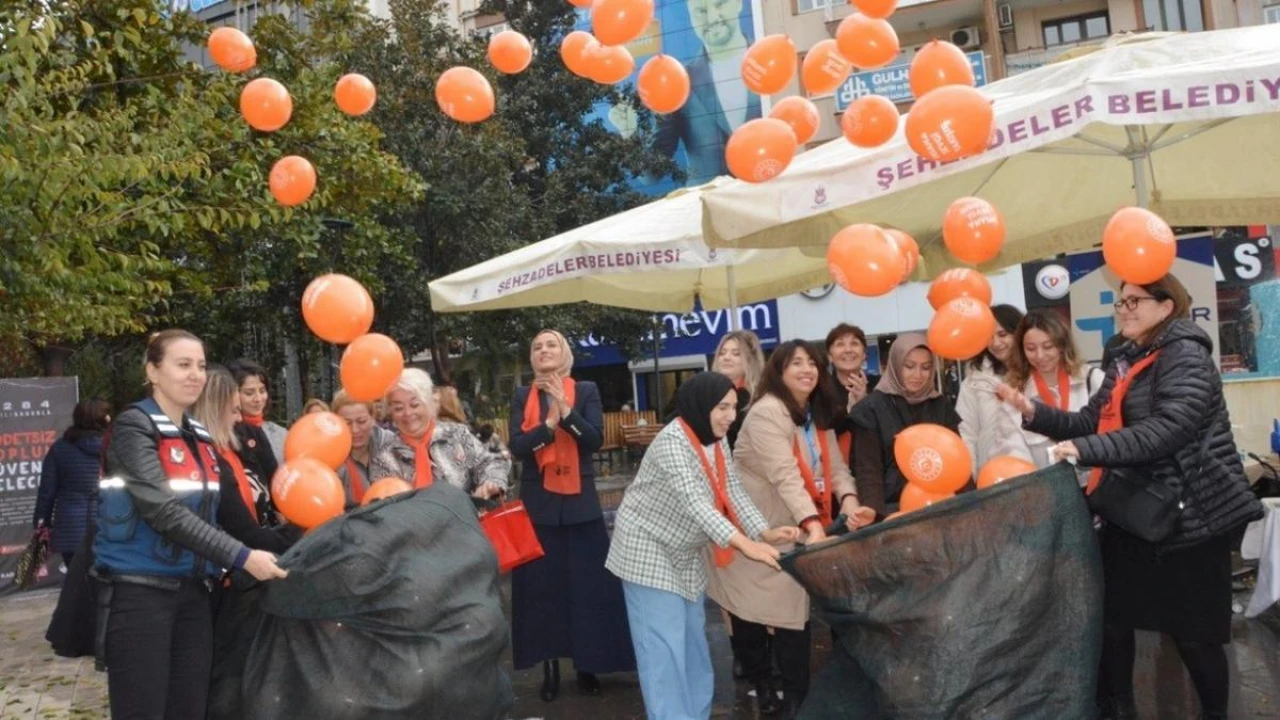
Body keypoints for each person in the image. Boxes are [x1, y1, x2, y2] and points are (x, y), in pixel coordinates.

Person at [997, 275, 1264, 720]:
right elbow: (1091, 421)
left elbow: (1167, 430)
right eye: (1121, 302)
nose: (1123, 309)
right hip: (1135, 510)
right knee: (1112, 618)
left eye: (1134, 301)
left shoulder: (1185, 355)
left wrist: (1086, 450)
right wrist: (1034, 413)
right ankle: (1118, 707)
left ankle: (1215, 713)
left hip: (1191, 516)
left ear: (1166, 306)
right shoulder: (1124, 356)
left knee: (1194, 636)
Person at [94, 330, 287, 720]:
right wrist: (243, 556)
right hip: (141, 595)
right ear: (153, 371)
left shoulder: (200, 438)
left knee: (191, 709)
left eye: (200, 365)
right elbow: (164, 512)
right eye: (183, 365)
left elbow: (221, 518)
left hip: (195, 594)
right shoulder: (134, 428)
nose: (195, 374)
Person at [606, 372, 801, 720]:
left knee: (694, 646)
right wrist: (745, 545)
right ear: (701, 404)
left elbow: (732, 490)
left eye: (734, 408)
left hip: (685, 550)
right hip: (647, 549)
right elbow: (695, 502)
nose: (730, 416)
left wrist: (763, 532)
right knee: (663, 651)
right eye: (722, 407)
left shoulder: (715, 439)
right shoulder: (673, 441)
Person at [707, 340, 875, 717]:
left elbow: (836, 469)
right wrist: (813, 525)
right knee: (749, 614)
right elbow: (785, 474)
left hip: (793, 528)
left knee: (793, 616)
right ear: (779, 371)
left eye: (812, 363)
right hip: (754, 528)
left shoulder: (815, 412)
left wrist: (850, 503)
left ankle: (796, 697)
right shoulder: (767, 412)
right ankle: (763, 684)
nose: (806, 370)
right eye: (796, 363)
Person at [508, 329, 635, 702]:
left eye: (551, 345)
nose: (543, 350)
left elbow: (593, 440)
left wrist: (565, 410)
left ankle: (587, 664)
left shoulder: (586, 390)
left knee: (588, 589)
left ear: (564, 354)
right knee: (542, 591)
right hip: (539, 504)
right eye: (537, 346)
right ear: (531, 357)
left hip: (580, 504)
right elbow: (518, 447)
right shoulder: (522, 396)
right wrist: (547, 426)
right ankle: (549, 666)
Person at [191, 366, 299, 720]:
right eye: (235, 410)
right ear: (214, 408)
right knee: (227, 680)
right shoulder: (210, 461)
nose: (241, 418)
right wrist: (301, 536)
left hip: (244, 578)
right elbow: (243, 531)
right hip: (222, 585)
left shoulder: (235, 451)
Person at [608, 0, 760, 185]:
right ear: (691, 17)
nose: (712, 18)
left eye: (720, 4)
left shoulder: (769, 63)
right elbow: (651, 174)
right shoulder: (679, 82)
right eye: (700, 11)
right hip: (708, 202)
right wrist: (630, 132)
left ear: (738, 3)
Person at [849, 333, 962, 517]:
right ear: (895, 365)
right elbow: (868, 470)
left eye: (925, 367)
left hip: (940, 506)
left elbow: (956, 459)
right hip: (891, 510)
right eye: (909, 366)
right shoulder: (871, 408)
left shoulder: (940, 406)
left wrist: (970, 505)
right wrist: (873, 511)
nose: (917, 375)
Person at [370, 368, 509, 499]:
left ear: (428, 403)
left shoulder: (456, 434)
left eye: (415, 405)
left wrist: (490, 482)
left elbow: (490, 462)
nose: (408, 413)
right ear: (391, 412)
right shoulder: (384, 459)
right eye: (399, 408)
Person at [995, 309, 1105, 474]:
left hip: (1097, 483)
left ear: (1063, 345)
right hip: (1046, 486)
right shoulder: (1016, 396)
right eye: (1031, 348)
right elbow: (1015, 456)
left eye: (1048, 346)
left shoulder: (1092, 380)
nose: (1040, 356)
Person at [35, 399, 110, 566]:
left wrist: (41, 523)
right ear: (103, 419)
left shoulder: (60, 448)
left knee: (76, 578)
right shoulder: (115, 448)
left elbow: (47, 491)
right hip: (109, 527)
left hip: (69, 530)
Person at [956, 304, 1025, 475]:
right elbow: (967, 434)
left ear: (1019, 333)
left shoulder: (1036, 373)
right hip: (991, 476)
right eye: (989, 337)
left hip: (1035, 473)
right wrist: (970, 477)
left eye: (1003, 334)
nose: (995, 343)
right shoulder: (973, 382)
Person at [825, 323, 880, 468]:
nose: (848, 350)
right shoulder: (820, 391)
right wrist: (850, 412)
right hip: (836, 470)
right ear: (830, 356)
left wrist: (865, 402)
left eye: (854, 343)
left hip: (876, 467)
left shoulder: (881, 386)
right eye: (840, 344)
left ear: (864, 354)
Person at [332, 390, 397, 508]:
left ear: (373, 418)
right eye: (347, 423)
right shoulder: (331, 459)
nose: (355, 430)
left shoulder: (392, 444)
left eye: (361, 421)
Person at [711, 330, 766, 449]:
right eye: (722, 353)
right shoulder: (706, 394)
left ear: (750, 360)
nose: (726, 357)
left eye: (736, 354)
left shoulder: (758, 398)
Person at [227, 359, 287, 466]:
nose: (258, 399)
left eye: (262, 391)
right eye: (249, 393)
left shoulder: (281, 434)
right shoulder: (224, 435)